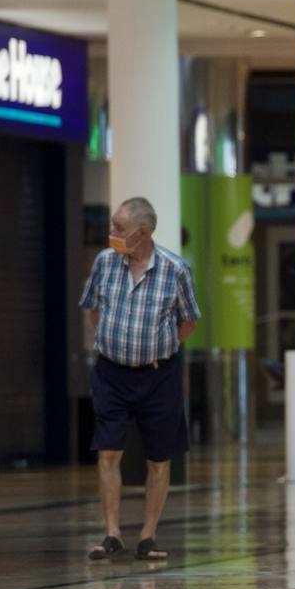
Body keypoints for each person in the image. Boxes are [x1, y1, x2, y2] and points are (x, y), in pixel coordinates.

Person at [79, 197, 200, 561]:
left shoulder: (175, 270)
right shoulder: (104, 262)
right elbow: (93, 310)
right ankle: (112, 532)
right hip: (111, 372)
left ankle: (148, 535)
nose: (112, 233)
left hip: (158, 375)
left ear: (142, 232)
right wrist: (114, 342)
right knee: (109, 451)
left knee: (159, 458)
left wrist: (157, 348)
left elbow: (189, 320)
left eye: (119, 228)